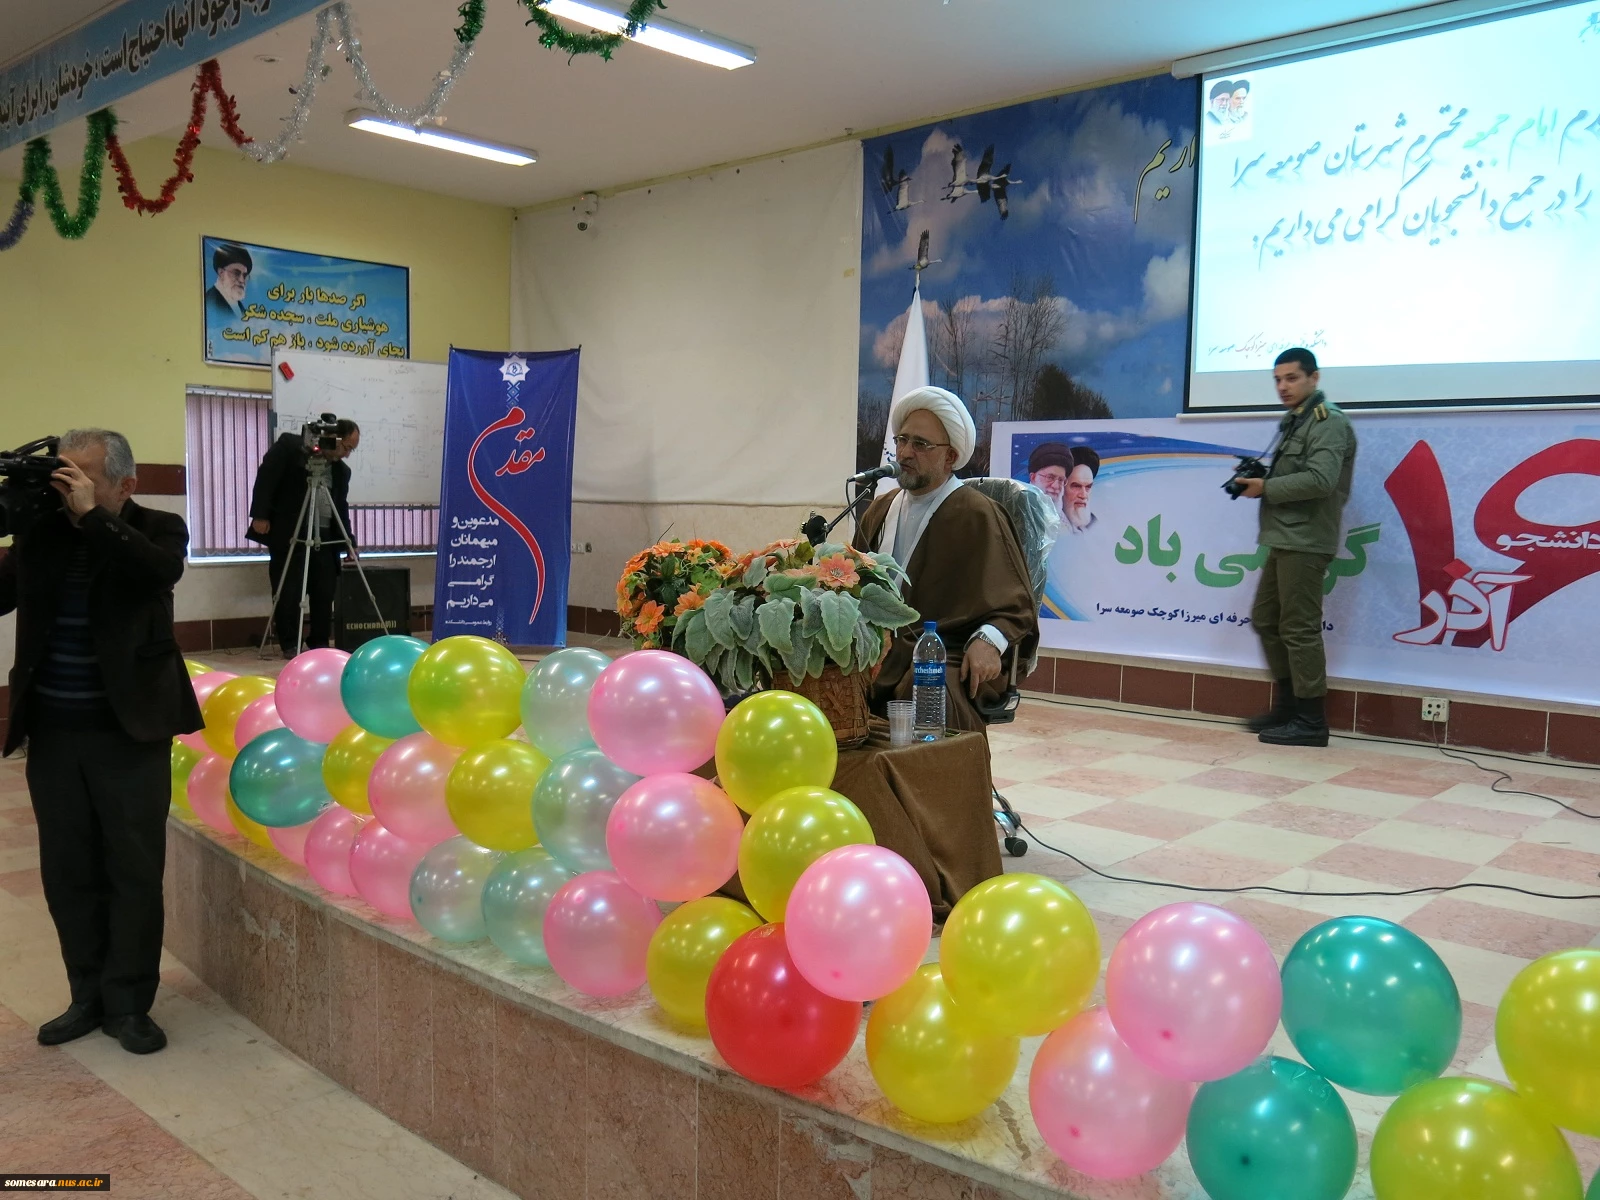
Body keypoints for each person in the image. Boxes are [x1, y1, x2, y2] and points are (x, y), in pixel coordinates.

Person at [0, 429, 202, 1054]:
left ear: (125, 484)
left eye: (83, 478)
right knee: (68, 871)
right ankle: (86, 995)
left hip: (128, 733)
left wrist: (93, 517)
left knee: (133, 871)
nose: (69, 488)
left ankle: (129, 1004)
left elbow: (156, 573)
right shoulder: (42, 533)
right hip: (54, 732)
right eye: (63, 475)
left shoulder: (158, 528)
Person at [853, 386, 1039, 733]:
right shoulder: (880, 509)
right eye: (902, 440)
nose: (905, 453)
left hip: (949, 647)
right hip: (881, 646)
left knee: (926, 683)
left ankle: (940, 769)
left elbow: (1016, 605)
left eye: (920, 444)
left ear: (950, 457)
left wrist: (989, 641)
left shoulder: (978, 513)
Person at [1232, 348, 1356, 747]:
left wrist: (1265, 487)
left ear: (1314, 378)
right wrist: (1259, 478)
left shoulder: (1327, 422)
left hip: (1307, 539)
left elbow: (1321, 480)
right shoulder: (1296, 420)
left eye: (1291, 378)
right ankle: (1288, 708)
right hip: (1285, 535)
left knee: (1299, 628)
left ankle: (1311, 720)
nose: (1283, 387)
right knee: (1267, 619)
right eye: (1277, 379)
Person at [247, 420, 360, 657]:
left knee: (324, 591)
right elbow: (266, 477)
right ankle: (290, 643)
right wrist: (260, 514)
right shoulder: (291, 447)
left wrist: (349, 541)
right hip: (291, 533)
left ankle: (319, 642)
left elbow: (341, 508)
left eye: (352, 450)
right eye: (346, 447)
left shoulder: (342, 472)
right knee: (289, 590)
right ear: (334, 438)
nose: (347, 454)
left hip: (325, 537)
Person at [205, 243, 252, 322]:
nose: (242, 280)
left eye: (245, 276)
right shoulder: (210, 302)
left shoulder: (241, 308)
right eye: (236, 273)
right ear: (221, 273)